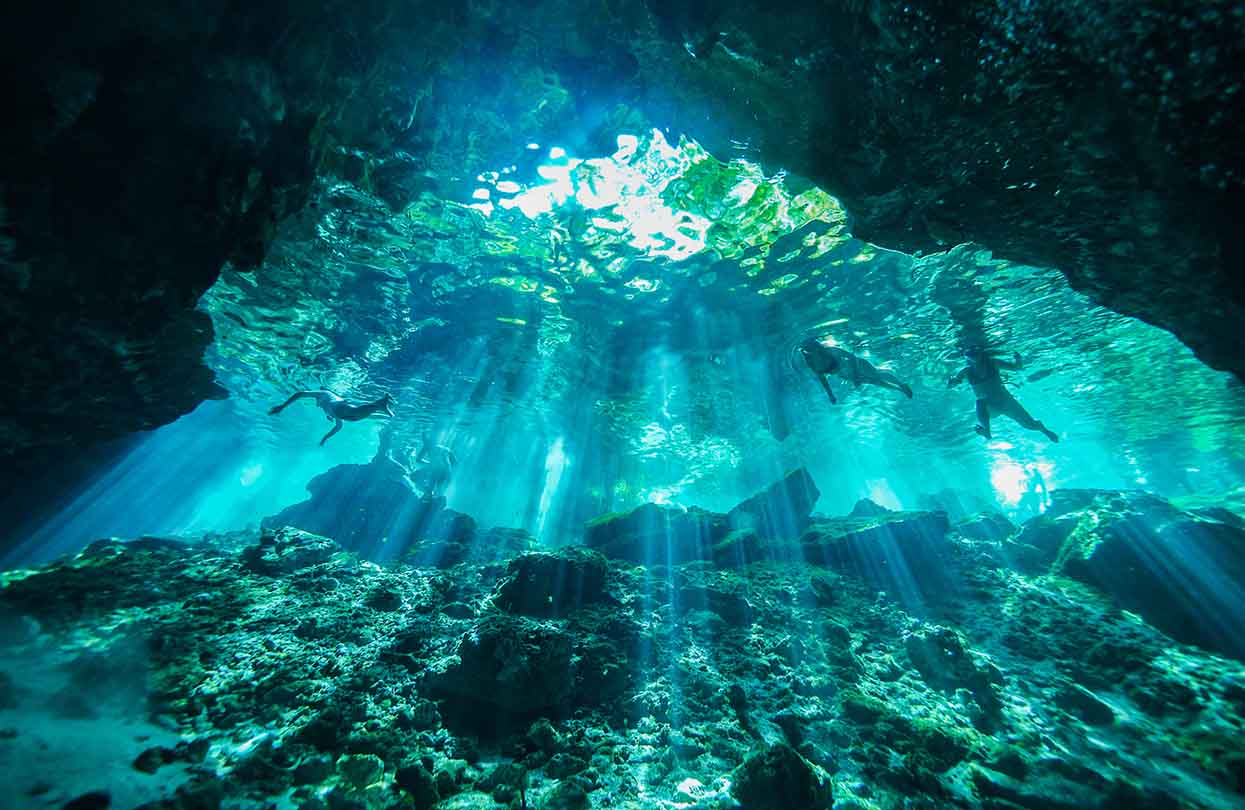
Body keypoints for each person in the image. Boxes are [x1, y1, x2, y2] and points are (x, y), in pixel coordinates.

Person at [948, 347, 1058, 442]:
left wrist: (1018, 359)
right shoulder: (966, 371)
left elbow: (1016, 368)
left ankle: (1045, 431)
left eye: (975, 352)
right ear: (966, 357)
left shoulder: (993, 363)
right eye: (970, 354)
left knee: (1029, 425)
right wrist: (951, 382)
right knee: (980, 402)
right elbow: (953, 384)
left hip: (1007, 402)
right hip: (990, 407)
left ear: (981, 353)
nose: (974, 356)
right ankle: (987, 431)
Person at [799, 337, 913, 404]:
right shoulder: (812, 364)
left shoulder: (831, 351)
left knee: (877, 375)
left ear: (816, 346)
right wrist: (830, 395)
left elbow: (851, 357)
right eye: (807, 349)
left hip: (858, 366)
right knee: (877, 382)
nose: (810, 350)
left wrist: (855, 373)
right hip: (846, 375)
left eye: (810, 347)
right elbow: (822, 379)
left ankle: (901, 384)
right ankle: (901, 389)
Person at [268, 390, 395, 446]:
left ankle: (379, 404)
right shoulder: (327, 410)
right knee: (356, 417)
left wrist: (283, 406)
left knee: (355, 412)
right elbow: (338, 426)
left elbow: (300, 393)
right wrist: (325, 438)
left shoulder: (324, 394)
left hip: (339, 406)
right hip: (341, 411)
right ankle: (379, 405)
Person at [406, 432, 457, 497]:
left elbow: (418, 460)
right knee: (415, 477)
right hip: (438, 470)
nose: (424, 441)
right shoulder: (444, 449)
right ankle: (429, 494)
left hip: (440, 471)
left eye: (425, 439)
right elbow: (455, 462)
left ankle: (430, 494)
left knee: (436, 487)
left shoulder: (437, 448)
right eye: (424, 439)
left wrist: (431, 464)